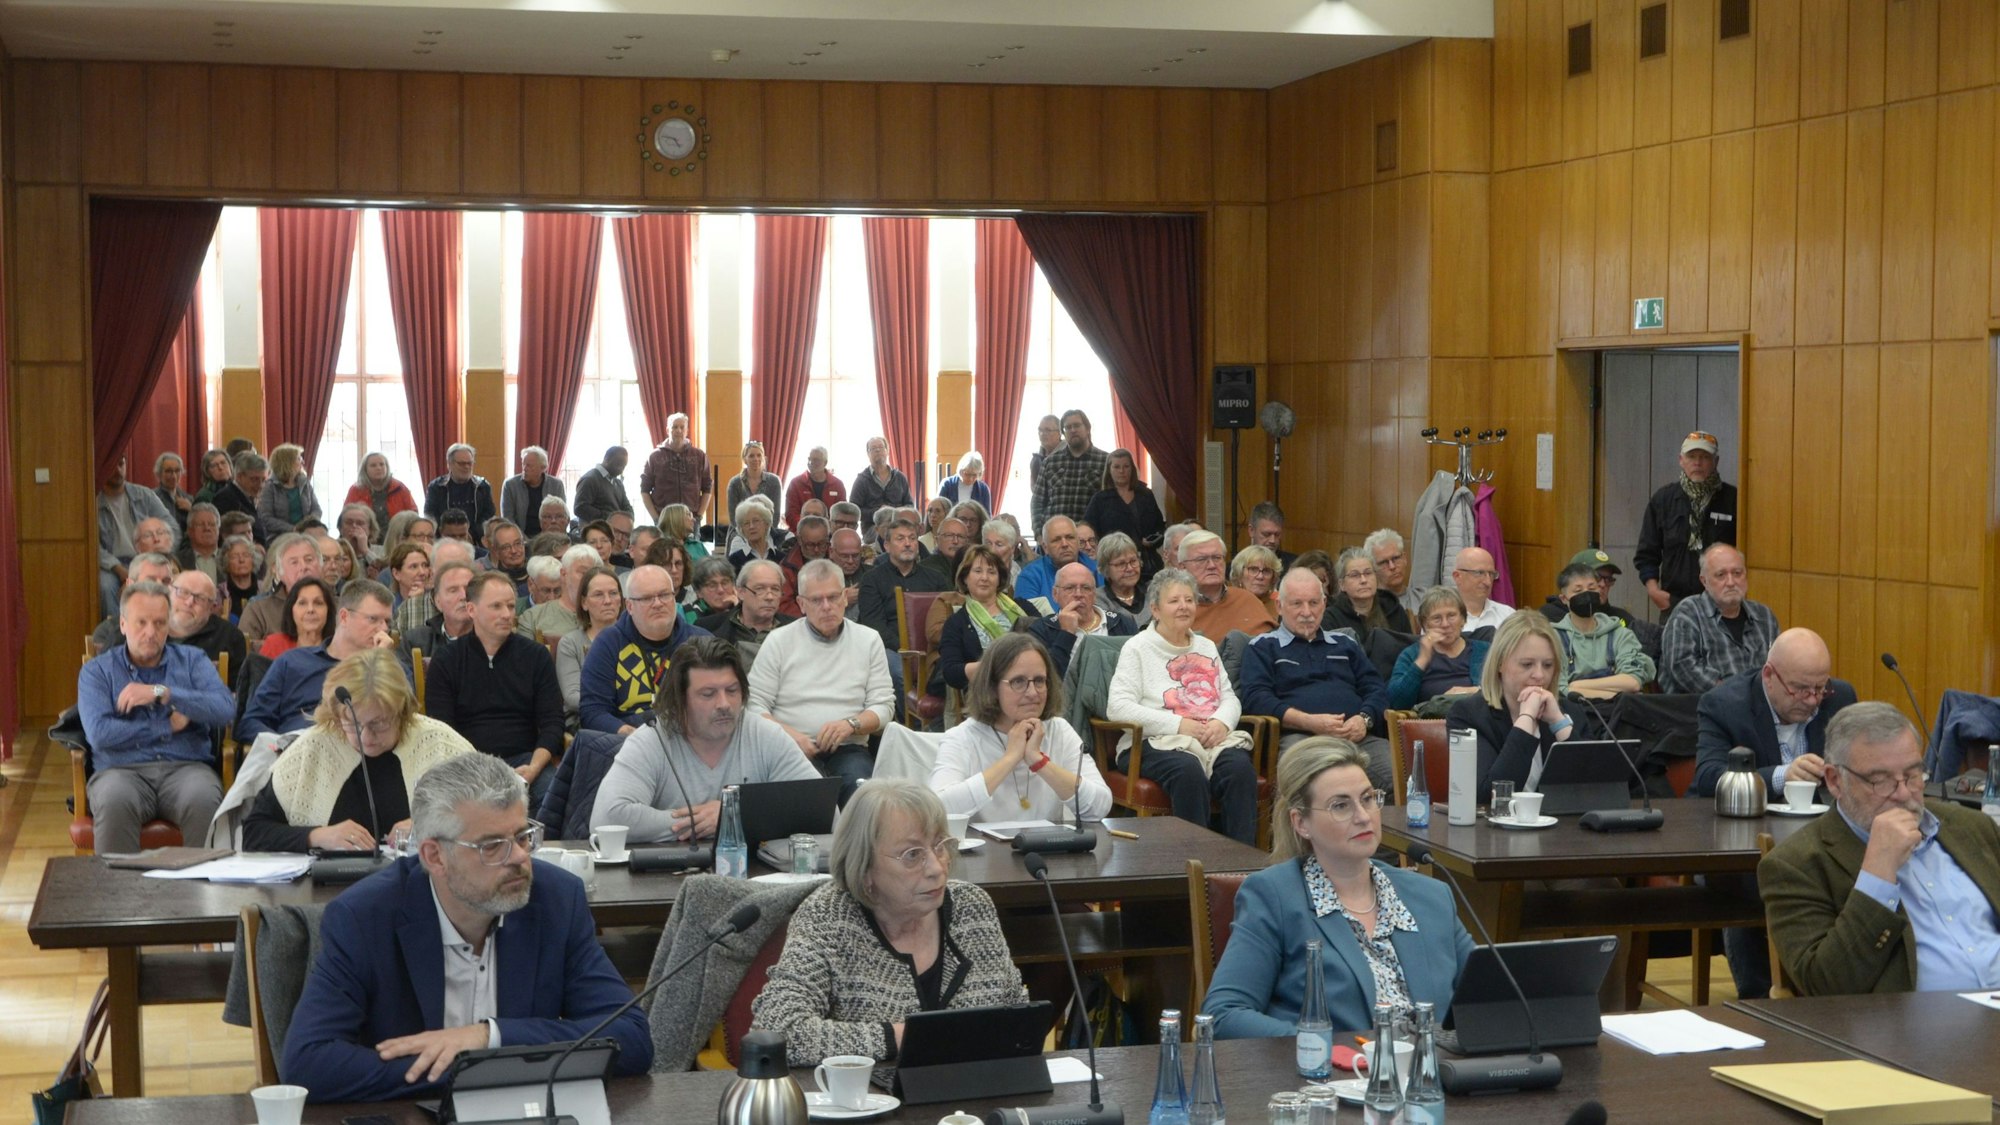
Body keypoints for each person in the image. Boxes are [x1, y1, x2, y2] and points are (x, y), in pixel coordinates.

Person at [280, 753, 653, 1102]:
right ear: (434, 856)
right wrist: (467, 1070)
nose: (521, 858)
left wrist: (489, 1037)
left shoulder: (556, 901)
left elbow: (631, 1039)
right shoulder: (364, 916)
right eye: (492, 846)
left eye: (523, 836)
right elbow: (308, 1064)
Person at [1202, 738, 1473, 1038]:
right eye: (1341, 805)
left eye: (1368, 798)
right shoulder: (1274, 896)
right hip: (1337, 1077)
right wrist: (1325, 1047)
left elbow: (1491, 995)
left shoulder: (1430, 896)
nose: (1363, 816)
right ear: (1301, 822)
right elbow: (1224, 1015)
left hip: (1434, 1076)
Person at [751, 778, 1026, 1065]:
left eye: (940, 846)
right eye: (912, 855)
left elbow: (1017, 1016)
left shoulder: (971, 908)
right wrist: (905, 1037)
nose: (936, 868)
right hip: (869, 1101)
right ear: (865, 867)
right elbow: (776, 1032)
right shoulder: (828, 917)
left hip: (974, 1099)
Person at [1760, 702, 2000, 995]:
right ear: (1835, 781)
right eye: (1880, 781)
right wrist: (1878, 873)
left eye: (1913, 775)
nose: (1902, 794)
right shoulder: (1796, 864)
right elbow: (1824, 987)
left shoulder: (1973, 828)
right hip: (1911, 1030)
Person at [241, 648, 474, 853]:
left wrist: (435, 826)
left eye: (379, 723)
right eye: (352, 722)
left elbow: (496, 818)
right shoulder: (312, 748)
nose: (365, 737)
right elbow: (254, 832)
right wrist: (318, 835)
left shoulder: (439, 743)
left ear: (402, 712)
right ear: (335, 714)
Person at [591, 636, 821, 843]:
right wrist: (703, 822)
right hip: (664, 880)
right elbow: (607, 818)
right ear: (680, 699)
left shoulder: (765, 734)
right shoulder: (652, 740)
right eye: (708, 694)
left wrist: (734, 816)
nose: (723, 704)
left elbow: (820, 810)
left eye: (732, 690)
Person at [76, 581, 233, 854]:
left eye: (160, 623)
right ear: (123, 624)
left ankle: (204, 895)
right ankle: (118, 894)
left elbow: (224, 708)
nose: (151, 632)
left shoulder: (192, 661)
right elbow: (99, 734)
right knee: (114, 799)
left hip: (186, 769)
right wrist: (165, 725)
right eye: (141, 623)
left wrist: (163, 693)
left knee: (204, 797)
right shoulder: (98, 671)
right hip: (121, 772)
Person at [1107, 568, 1261, 844]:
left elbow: (1229, 697)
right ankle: (1194, 866)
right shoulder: (1137, 647)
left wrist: (1221, 723)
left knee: (1239, 770)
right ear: (1155, 609)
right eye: (1174, 601)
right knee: (1187, 771)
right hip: (1150, 742)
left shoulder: (1204, 646)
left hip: (1208, 738)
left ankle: (1241, 867)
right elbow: (1118, 707)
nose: (1183, 607)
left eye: (1189, 600)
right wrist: (1179, 725)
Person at [747, 560, 895, 800]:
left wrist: (850, 724)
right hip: (790, 746)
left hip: (849, 746)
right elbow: (753, 706)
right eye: (816, 600)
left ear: (846, 598)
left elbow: (884, 707)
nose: (827, 607)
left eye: (834, 597)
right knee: (807, 797)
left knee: (864, 795)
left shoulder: (868, 640)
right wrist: (790, 735)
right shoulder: (779, 640)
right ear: (801, 604)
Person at [932, 632, 1112, 825]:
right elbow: (938, 811)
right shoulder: (962, 737)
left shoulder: (1059, 730)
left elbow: (1099, 808)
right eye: (1018, 682)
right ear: (992, 687)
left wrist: (1039, 761)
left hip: (1049, 852)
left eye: (1040, 681)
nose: (1033, 693)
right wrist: (1010, 758)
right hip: (987, 853)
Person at [1241, 569, 1392, 790]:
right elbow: (1255, 698)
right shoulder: (1263, 647)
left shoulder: (1345, 643)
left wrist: (1363, 719)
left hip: (1356, 737)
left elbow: (1376, 689)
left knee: (1400, 777)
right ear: (1280, 607)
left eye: (1313, 603)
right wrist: (1308, 722)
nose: (1307, 612)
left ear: (1324, 603)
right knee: (1311, 785)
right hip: (1301, 738)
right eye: (1297, 604)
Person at [427, 572, 567, 809]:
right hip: (468, 763)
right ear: (472, 610)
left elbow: (553, 721)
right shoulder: (447, 659)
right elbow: (441, 729)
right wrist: (473, 770)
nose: (506, 614)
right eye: (496, 606)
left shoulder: (535, 655)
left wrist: (534, 767)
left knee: (555, 795)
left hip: (526, 760)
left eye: (511, 606)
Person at [1693, 628, 1857, 799]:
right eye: (1800, 689)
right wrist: (1783, 776)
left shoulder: (1840, 698)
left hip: (1817, 820)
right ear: (1768, 675)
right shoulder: (1724, 705)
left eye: (1819, 688)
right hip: (1748, 818)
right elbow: (1708, 779)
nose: (1812, 700)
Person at [238, 580, 401, 743]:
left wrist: (379, 665)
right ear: (344, 617)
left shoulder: (390, 668)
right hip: (296, 751)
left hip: (363, 752)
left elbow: (404, 722)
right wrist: (282, 745)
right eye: (373, 619)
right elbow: (251, 723)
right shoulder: (292, 662)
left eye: (387, 621)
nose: (383, 629)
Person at [1445, 610, 1580, 804]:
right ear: (1500, 663)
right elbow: (1488, 796)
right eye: (1527, 665)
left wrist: (1559, 723)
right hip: (1494, 831)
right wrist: (1526, 719)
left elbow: (1591, 789)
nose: (1540, 675)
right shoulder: (1468, 715)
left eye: (1548, 665)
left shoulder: (1567, 711)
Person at [578, 564, 710, 734]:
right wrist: (627, 733)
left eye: (664, 595)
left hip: (691, 736)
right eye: (647, 598)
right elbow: (592, 711)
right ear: (630, 606)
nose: (658, 604)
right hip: (628, 742)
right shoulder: (608, 644)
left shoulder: (701, 642)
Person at [1636, 430, 1738, 613]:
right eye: (1691, 456)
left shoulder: (1733, 499)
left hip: (1722, 600)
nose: (1697, 462)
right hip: (1674, 602)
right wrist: (1654, 591)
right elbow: (1647, 553)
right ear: (1681, 460)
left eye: (1704, 457)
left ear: (1716, 461)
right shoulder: (1663, 500)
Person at [1659, 543, 1780, 695]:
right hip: (1703, 709)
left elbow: (1779, 666)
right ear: (1704, 581)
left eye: (1737, 573)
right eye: (1721, 575)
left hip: (1760, 706)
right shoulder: (1688, 614)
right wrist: (1734, 695)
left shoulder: (1765, 617)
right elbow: (1683, 668)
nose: (1731, 582)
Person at [929, 546, 1033, 696]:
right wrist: (994, 667)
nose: (984, 577)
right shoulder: (956, 622)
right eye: (978, 571)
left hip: (1031, 682)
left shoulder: (1023, 608)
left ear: (999, 579)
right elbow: (951, 672)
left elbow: (1046, 642)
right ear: (965, 578)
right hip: (986, 690)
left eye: (991, 572)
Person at [1550, 562, 1654, 696]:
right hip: (1574, 713)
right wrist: (1614, 691)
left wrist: (1575, 686)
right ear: (1564, 599)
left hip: (1618, 713)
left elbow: (1633, 682)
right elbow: (1559, 689)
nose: (1586, 594)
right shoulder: (1553, 638)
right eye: (1578, 591)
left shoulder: (1620, 634)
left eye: (1592, 588)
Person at [1026, 561, 1138, 679]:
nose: (1078, 594)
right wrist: (1066, 634)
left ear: (1094, 595)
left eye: (1086, 588)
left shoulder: (1122, 623)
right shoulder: (1041, 629)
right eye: (1070, 588)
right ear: (1055, 594)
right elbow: (1045, 680)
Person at [1387, 586, 1490, 712]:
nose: (1445, 624)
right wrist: (1421, 661)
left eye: (1451, 616)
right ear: (1425, 624)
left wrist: (1475, 691)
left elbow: (1506, 689)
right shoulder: (1411, 654)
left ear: (1463, 619)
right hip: (1430, 725)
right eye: (1437, 618)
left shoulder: (1485, 651)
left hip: (1477, 721)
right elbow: (1396, 703)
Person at [857, 513, 950, 650]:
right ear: (887, 546)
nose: (907, 544)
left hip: (931, 648)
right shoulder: (872, 580)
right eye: (900, 539)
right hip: (888, 649)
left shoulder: (936, 578)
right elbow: (875, 627)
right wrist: (906, 649)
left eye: (912, 538)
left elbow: (945, 619)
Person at [98, 455, 177, 614]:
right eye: (113, 465)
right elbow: (93, 547)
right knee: (105, 586)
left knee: (170, 578)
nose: (118, 470)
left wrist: (160, 551)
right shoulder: (93, 501)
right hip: (112, 566)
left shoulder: (144, 495)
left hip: (146, 559)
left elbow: (171, 526)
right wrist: (120, 570)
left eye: (121, 464)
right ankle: (117, 632)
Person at [1177, 530, 1276, 643]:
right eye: (1201, 559)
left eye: (1217, 558)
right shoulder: (1176, 608)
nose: (1212, 565)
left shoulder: (1247, 600)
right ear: (1182, 567)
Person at [696, 559, 794, 666]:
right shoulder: (707, 628)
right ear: (741, 592)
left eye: (775, 589)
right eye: (760, 589)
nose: (769, 597)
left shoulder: (796, 629)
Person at [239, 532, 323, 646]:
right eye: (294, 562)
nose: (304, 567)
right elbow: (244, 650)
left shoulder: (339, 605)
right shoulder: (258, 609)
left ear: (321, 565)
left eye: (309, 560)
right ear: (277, 570)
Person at [166, 569, 247, 687]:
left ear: (211, 608)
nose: (189, 602)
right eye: (183, 592)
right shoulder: (146, 628)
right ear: (169, 592)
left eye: (200, 598)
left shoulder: (230, 637)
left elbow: (236, 696)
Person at [1035, 410, 1110, 531]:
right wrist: (1039, 533)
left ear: (1088, 428)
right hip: (1054, 538)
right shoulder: (1050, 462)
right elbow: (1037, 501)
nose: (1073, 430)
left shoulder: (1105, 461)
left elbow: (1111, 503)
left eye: (1077, 425)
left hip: (1090, 539)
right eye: (1068, 427)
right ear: (1063, 433)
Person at [1322, 546, 1412, 647]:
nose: (1363, 580)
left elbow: (1410, 652)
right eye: (1355, 575)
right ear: (1342, 584)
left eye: (1368, 573)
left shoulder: (1394, 610)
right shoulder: (1331, 619)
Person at [89, 551, 178, 653]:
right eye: (150, 581)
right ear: (131, 584)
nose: (160, 587)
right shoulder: (108, 632)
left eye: (166, 581)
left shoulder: (186, 628)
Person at [1536, 547, 1642, 630]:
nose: (1603, 584)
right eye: (1597, 577)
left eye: (1608, 579)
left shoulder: (1621, 618)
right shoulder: (1550, 616)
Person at [518, 543, 602, 641]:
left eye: (593, 574)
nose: (589, 579)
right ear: (563, 574)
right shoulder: (534, 617)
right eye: (583, 572)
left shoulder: (604, 614)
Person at [1012, 515, 1098, 609]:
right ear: (1045, 547)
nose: (1064, 544)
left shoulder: (1097, 570)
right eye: (1056, 540)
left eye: (1070, 537)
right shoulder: (1030, 576)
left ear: (1078, 541)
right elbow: (1026, 619)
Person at [398, 558, 477, 661]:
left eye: (468, 589)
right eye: (453, 590)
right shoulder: (415, 641)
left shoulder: (494, 639)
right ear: (438, 601)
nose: (463, 596)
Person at [641, 413, 711, 524]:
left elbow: (707, 488)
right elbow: (644, 490)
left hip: (690, 519)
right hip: (664, 519)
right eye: (674, 427)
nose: (678, 430)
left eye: (682, 427)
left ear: (687, 431)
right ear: (667, 430)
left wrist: (698, 517)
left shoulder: (699, 456)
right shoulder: (655, 457)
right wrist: (656, 518)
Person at [423, 443, 497, 548]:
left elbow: (489, 515)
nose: (466, 467)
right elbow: (430, 515)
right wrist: (450, 534)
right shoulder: (436, 487)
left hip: (476, 541)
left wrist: (469, 534)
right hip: (443, 541)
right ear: (449, 464)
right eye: (462, 463)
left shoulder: (482, 486)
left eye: (470, 463)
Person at [343, 451, 417, 542]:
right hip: (365, 539)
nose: (378, 468)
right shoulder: (355, 490)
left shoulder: (400, 488)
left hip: (397, 539)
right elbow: (346, 517)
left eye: (382, 464)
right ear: (365, 469)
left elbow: (413, 514)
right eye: (373, 465)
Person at [256, 443, 322, 543]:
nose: (303, 462)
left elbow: (316, 509)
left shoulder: (304, 483)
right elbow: (265, 518)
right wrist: (292, 529)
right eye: (299, 459)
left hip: (307, 534)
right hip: (279, 537)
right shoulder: (270, 487)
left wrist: (308, 526)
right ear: (287, 462)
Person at [259, 576, 335, 660]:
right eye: (302, 603)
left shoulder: (338, 648)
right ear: (291, 610)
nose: (310, 609)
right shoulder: (274, 645)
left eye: (318, 603)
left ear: (329, 610)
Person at [850, 436, 914, 533]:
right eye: (873, 448)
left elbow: (910, 505)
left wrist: (894, 512)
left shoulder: (899, 477)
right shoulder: (861, 480)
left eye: (881, 447)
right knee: (886, 535)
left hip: (899, 525)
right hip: (873, 528)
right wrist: (877, 513)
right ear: (868, 454)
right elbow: (854, 510)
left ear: (887, 451)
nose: (878, 450)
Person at [498, 445, 566, 533]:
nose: (525, 469)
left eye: (529, 466)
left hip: (550, 536)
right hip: (520, 537)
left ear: (542, 468)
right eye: (523, 464)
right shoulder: (510, 485)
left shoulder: (556, 485)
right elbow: (508, 519)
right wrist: (522, 539)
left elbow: (561, 515)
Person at [1450, 547, 1513, 634]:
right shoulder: (1441, 619)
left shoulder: (1508, 615)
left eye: (1491, 574)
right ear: (1457, 576)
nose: (1488, 582)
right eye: (1479, 573)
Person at [784, 445, 847, 531]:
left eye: (816, 460)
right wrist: (807, 528)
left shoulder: (837, 485)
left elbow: (841, 513)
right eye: (809, 459)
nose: (811, 462)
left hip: (830, 533)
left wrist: (827, 529)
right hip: (801, 532)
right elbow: (791, 514)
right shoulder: (796, 483)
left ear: (825, 463)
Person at [1365, 528, 1422, 620]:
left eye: (1396, 558)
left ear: (1405, 559)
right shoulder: (1368, 605)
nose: (1392, 567)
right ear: (1372, 568)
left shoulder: (1422, 598)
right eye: (1383, 562)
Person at [724, 441, 783, 525]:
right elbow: (734, 518)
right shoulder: (735, 483)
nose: (756, 459)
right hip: (739, 533)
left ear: (763, 458)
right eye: (751, 456)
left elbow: (775, 516)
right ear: (745, 459)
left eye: (759, 455)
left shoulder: (774, 481)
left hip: (768, 533)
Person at [572, 445, 633, 525]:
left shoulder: (617, 482)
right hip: (597, 532)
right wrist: (609, 518)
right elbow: (580, 507)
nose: (621, 470)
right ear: (607, 459)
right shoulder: (590, 479)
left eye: (624, 467)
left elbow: (626, 506)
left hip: (615, 531)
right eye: (618, 465)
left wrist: (628, 518)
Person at [1095, 532, 1147, 619]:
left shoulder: (1153, 592)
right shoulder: (1098, 600)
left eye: (1133, 561)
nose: (1130, 568)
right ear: (1106, 568)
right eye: (1121, 564)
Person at [386, 542, 434, 634]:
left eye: (425, 565)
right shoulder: (388, 605)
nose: (422, 572)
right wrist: (410, 603)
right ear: (396, 574)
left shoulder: (436, 602)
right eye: (414, 567)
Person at [726, 497, 784, 568]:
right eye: (746, 523)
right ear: (742, 530)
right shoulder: (734, 560)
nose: (751, 526)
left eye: (756, 521)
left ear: (766, 524)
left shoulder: (781, 558)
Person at [176, 502, 225, 582]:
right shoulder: (178, 561)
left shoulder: (229, 558)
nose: (207, 528)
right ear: (189, 531)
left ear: (219, 530)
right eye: (200, 524)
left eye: (212, 524)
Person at [917, 516, 969, 584]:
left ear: (967, 542)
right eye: (949, 535)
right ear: (937, 540)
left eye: (960, 536)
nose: (955, 541)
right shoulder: (926, 569)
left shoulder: (972, 566)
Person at [221, 537, 262, 623]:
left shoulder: (265, 589)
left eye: (246, 555)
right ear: (226, 562)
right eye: (234, 556)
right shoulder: (219, 594)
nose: (241, 560)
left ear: (253, 559)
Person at [1246, 501, 1297, 569]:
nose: (1272, 540)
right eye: (1266, 534)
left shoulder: (1294, 566)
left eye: (1277, 534)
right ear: (1251, 531)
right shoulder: (1236, 567)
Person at [1230, 545, 1281, 613]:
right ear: (1239, 573)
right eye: (1253, 569)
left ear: (1273, 578)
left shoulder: (1281, 606)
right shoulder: (1227, 605)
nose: (1260, 576)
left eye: (1266, 571)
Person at [153, 451, 194, 532]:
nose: (174, 476)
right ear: (159, 474)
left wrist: (191, 510)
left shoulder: (188, 498)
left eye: (177, 471)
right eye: (168, 471)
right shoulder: (152, 497)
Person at [1027, 414, 1062, 505]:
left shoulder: (1066, 456)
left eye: (1048, 430)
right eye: (1040, 430)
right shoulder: (1036, 460)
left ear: (1059, 433)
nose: (1042, 434)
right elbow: (1034, 491)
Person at [484, 518, 529, 589]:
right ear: (496, 552)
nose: (513, 551)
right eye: (506, 547)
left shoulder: (537, 574)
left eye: (517, 543)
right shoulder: (493, 583)